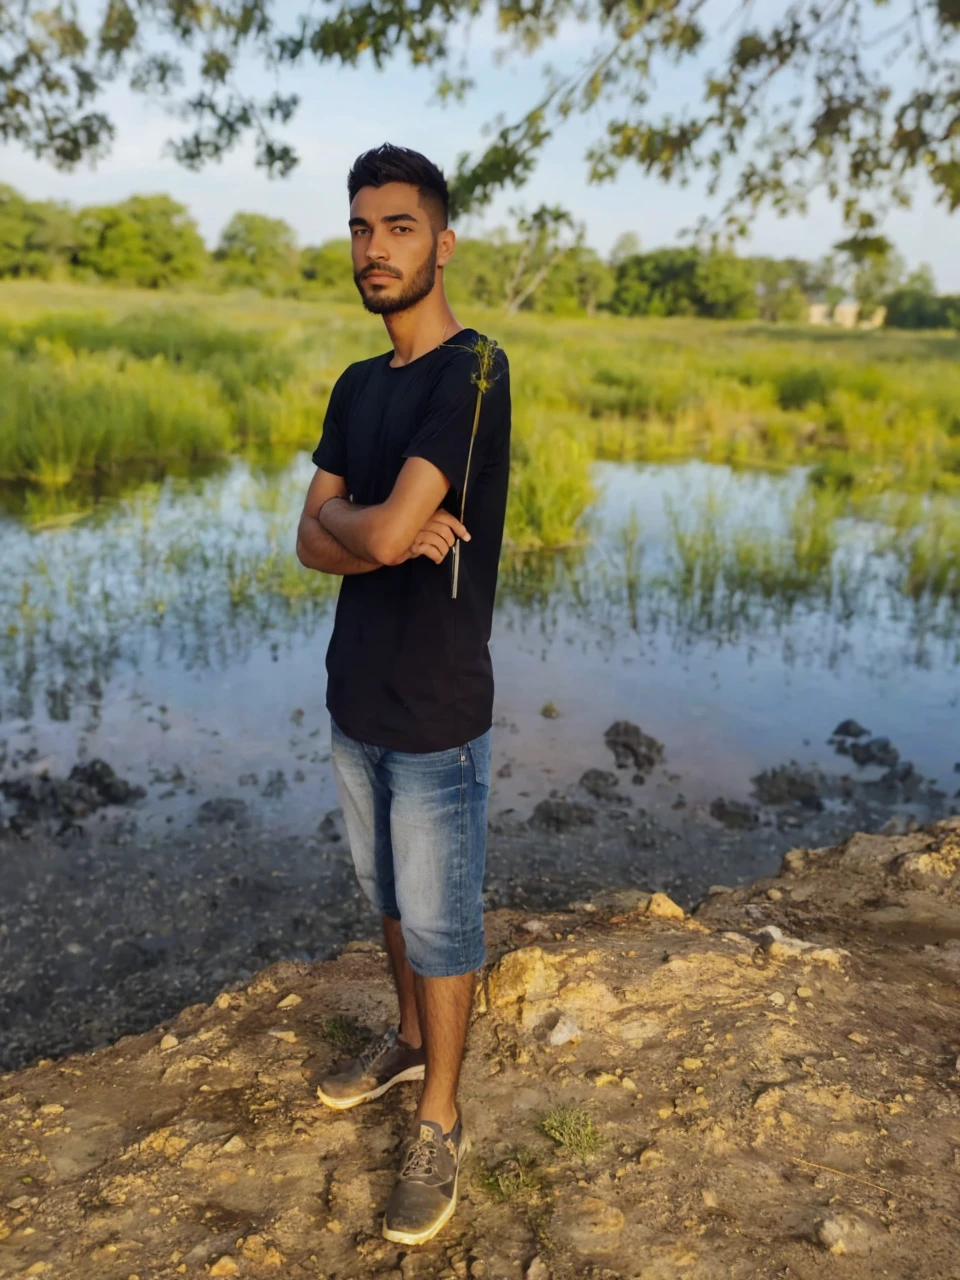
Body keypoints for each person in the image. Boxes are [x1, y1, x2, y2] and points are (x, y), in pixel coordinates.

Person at [295, 143, 511, 1246]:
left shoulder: (473, 371)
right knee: (385, 896)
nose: (374, 249)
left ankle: (442, 1116)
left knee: (439, 914)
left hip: (435, 710)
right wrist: (362, 529)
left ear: (442, 241)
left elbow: (354, 527)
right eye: (361, 229)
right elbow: (313, 541)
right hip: (354, 698)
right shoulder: (352, 385)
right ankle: (410, 1040)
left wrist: (356, 525)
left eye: (398, 227)